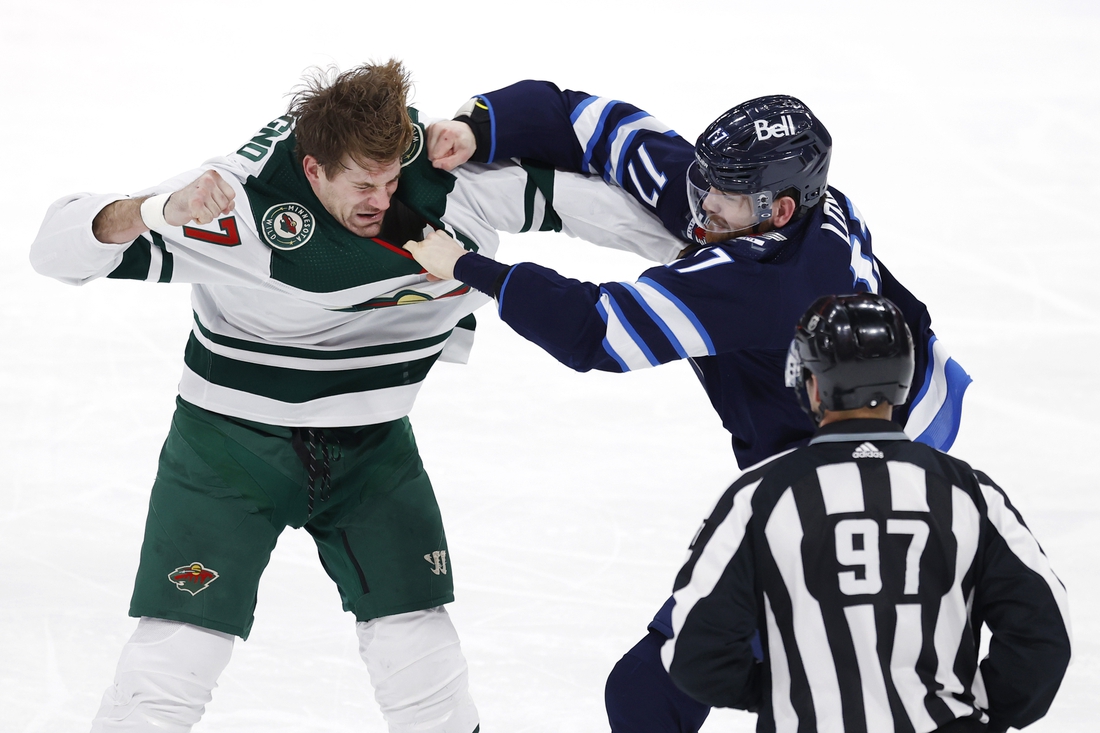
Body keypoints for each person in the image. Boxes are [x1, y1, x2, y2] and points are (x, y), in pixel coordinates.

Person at [28, 61, 687, 733]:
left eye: (390, 178)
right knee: (174, 663)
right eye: (361, 185)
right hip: (229, 448)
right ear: (312, 171)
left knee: (421, 652)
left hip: (372, 447)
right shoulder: (237, 204)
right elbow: (52, 249)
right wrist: (148, 212)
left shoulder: (442, 176)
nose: (381, 199)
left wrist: (723, 246)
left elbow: (593, 207)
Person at [407, 82, 973, 731]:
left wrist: (467, 264)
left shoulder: (758, 283)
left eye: (723, 195)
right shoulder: (771, 208)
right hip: (892, 434)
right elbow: (599, 128)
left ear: (778, 209)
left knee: (659, 692)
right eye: (707, 180)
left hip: (842, 501)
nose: (702, 201)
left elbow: (597, 329)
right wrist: (484, 127)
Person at [663, 292, 1071, 733]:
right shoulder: (970, 493)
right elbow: (1044, 635)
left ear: (813, 384)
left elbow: (693, 650)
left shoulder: (759, 497)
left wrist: (783, 694)